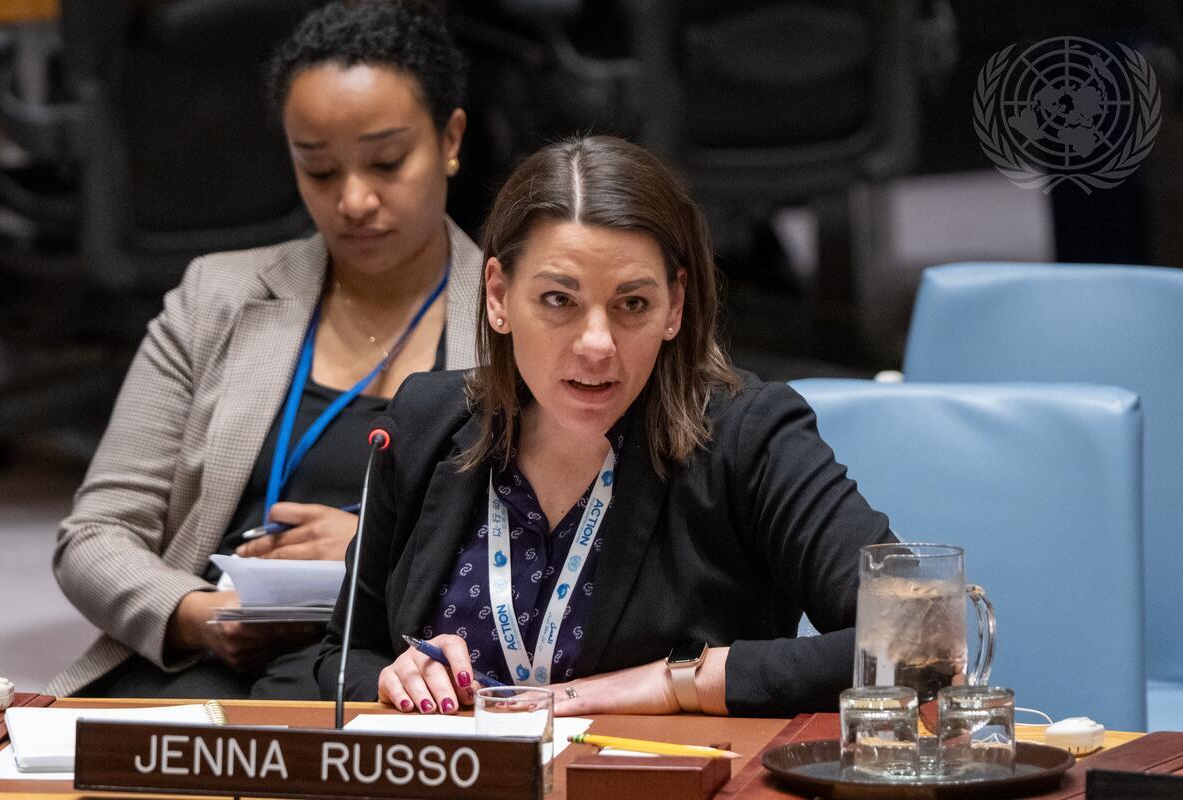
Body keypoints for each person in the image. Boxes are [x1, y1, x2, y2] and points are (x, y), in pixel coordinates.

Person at [315, 135, 897, 717]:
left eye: (632, 304)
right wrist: (397, 678)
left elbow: (913, 639)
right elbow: (346, 654)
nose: (597, 344)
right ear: (498, 295)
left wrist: (679, 682)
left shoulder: (750, 436)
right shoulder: (423, 421)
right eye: (558, 300)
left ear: (675, 305)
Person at [49, 0, 478, 700]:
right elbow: (96, 533)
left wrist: (374, 552)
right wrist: (197, 615)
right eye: (319, 170)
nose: (354, 200)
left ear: (451, 139)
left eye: (387, 162)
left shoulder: (513, 321)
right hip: (199, 660)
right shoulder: (217, 297)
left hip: (393, 674)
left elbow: (562, 564)